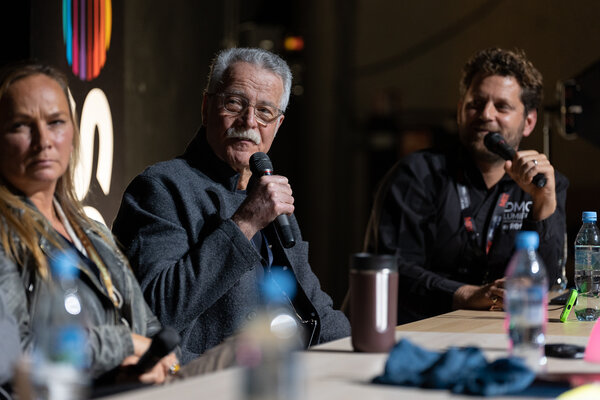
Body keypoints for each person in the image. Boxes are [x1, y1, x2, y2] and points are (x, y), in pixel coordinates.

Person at [112, 47, 351, 363]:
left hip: (284, 374)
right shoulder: (162, 187)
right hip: (206, 382)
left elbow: (312, 305)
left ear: (278, 124)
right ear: (206, 107)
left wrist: (363, 350)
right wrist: (246, 223)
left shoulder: (267, 192)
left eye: (265, 111)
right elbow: (156, 311)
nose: (249, 121)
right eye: (235, 102)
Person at [0, 63, 178, 385]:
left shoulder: (91, 232)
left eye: (55, 122)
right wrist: (122, 345)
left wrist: (155, 363)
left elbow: (148, 327)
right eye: (21, 126)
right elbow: (13, 357)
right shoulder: (5, 234)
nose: (43, 141)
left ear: (72, 133)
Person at [363, 48, 568, 324]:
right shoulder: (417, 174)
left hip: (499, 331)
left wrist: (544, 204)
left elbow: (550, 283)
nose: (485, 114)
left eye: (502, 106)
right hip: (417, 332)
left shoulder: (544, 184)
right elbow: (393, 269)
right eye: (476, 103)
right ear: (460, 110)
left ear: (529, 121)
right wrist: (466, 294)